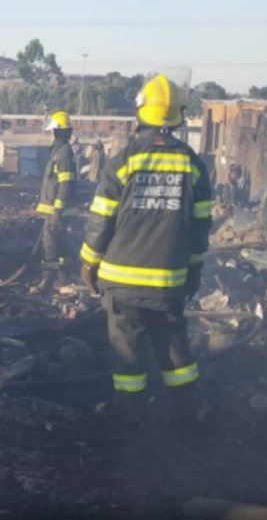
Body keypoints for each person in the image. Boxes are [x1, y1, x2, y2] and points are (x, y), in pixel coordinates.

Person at [80, 74, 212, 422]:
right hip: (169, 282)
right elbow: (200, 228)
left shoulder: (124, 160)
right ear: (177, 117)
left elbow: (101, 219)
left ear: (140, 113)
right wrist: (194, 270)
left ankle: (130, 416)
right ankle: (189, 411)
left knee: (126, 351)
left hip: (122, 282)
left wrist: (88, 263)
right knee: (172, 346)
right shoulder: (192, 164)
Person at [31, 110, 78, 294]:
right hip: (54, 210)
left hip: (57, 211)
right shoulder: (59, 151)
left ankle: (49, 280)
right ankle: (62, 279)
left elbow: (65, 184)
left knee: (50, 246)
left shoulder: (64, 152)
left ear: (58, 131)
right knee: (61, 245)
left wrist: (57, 211)